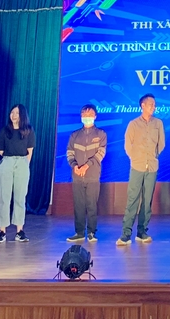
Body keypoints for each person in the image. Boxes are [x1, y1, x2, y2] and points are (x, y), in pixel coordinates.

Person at [117, 94, 164, 246]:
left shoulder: (158, 123)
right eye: (151, 104)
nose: (153, 107)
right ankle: (126, 234)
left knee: (147, 200)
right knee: (132, 199)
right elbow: (128, 145)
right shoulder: (133, 124)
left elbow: (161, 144)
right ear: (142, 105)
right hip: (137, 166)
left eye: (154, 104)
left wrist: (153, 156)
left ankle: (142, 232)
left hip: (152, 167)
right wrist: (136, 158)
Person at [0, 104, 35, 243]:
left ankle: (19, 231)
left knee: (20, 197)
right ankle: (2, 231)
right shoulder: (5, 130)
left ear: (22, 115)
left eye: (17, 113)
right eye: (12, 112)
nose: (14, 115)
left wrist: (24, 164)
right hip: (7, 161)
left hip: (22, 162)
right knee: (4, 197)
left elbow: (30, 151)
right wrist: (10, 158)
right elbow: (0, 149)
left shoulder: (28, 130)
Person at [66, 104, 107, 243]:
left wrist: (86, 166)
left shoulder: (101, 134)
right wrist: (75, 166)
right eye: (84, 114)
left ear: (95, 116)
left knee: (91, 205)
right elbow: (69, 153)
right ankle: (79, 232)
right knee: (78, 205)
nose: (87, 117)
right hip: (77, 176)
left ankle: (91, 232)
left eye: (90, 114)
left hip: (93, 176)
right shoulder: (75, 135)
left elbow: (100, 153)